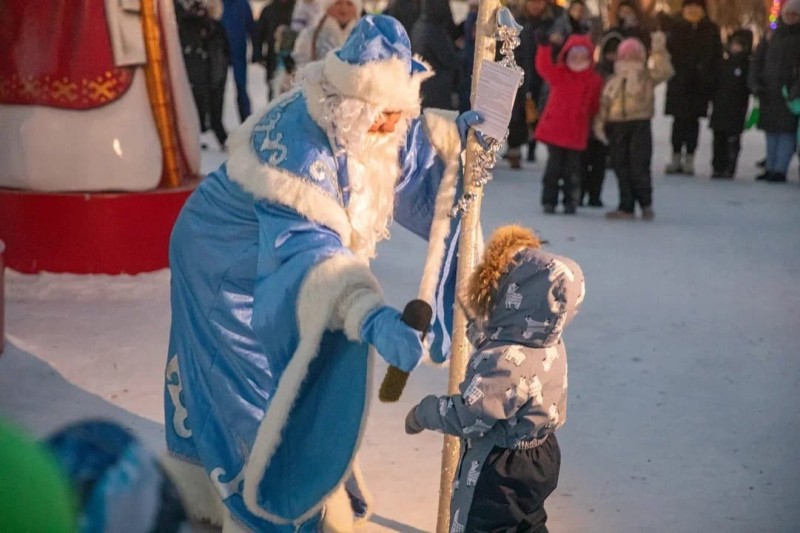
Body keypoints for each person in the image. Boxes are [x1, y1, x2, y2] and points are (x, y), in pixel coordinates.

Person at [163, 15, 481, 532]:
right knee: (250, 378)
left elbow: (399, 145)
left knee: (286, 377)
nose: (391, 127)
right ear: (350, 107)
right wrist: (372, 316)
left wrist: (449, 136)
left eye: (400, 114)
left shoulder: (361, 121)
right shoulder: (300, 151)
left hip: (266, 247)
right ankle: (264, 507)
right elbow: (310, 253)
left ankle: (300, 484)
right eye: (382, 117)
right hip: (223, 263)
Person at [405, 225, 586, 532]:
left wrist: (424, 412)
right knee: (526, 522)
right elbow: (511, 344)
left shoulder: (503, 362)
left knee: (484, 524)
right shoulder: (550, 342)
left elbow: (469, 416)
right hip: (541, 455)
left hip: (500, 466)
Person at [596, 34, 674, 220]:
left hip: (639, 123)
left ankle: (645, 203)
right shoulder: (614, 79)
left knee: (639, 165)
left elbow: (665, 71)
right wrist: (599, 123)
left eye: (634, 56)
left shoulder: (646, 76)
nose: (629, 61)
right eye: (625, 56)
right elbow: (605, 102)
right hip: (617, 126)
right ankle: (626, 205)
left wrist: (659, 50)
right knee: (620, 165)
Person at [534, 33, 603, 214]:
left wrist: (595, 122)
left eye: (583, 56)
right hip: (556, 131)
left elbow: (595, 104)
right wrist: (544, 47)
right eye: (574, 55)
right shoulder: (560, 74)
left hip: (576, 132)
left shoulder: (593, 80)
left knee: (572, 171)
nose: (578, 60)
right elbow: (543, 67)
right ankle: (549, 200)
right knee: (553, 169)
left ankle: (570, 200)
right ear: (566, 55)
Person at [660, 0, 722, 176]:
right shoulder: (676, 26)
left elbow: (716, 56)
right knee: (678, 122)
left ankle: (689, 158)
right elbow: (667, 53)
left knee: (693, 123)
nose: (693, 10)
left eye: (697, 6)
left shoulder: (710, 29)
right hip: (679, 83)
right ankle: (676, 156)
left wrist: (709, 76)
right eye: (689, 6)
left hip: (700, 84)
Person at [749, 0, 800, 183]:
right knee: (771, 132)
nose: (791, 17)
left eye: (795, 15)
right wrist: (755, 83)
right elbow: (757, 60)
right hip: (769, 90)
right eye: (788, 14)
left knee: (786, 133)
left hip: (789, 95)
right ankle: (770, 166)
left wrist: (795, 89)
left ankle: (780, 169)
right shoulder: (772, 33)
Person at [175, 0, 230, 148]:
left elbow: (223, 48)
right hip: (199, 66)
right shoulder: (188, 20)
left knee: (212, 104)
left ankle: (216, 135)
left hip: (211, 68)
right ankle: (199, 136)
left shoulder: (212, 26)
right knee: (198, 103)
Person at [579, 30, 622, 207]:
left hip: (607, 127)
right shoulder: (595, 72)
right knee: (583, 163)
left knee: (599, 166)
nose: (612, 56)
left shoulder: (622, 75)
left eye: (616, 52)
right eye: (609, 52)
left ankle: (594, 195)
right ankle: (580, 194)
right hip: (588, 125)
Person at [518, 0, 559, 163]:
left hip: (544, 75)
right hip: (523, 71)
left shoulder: (552, 22)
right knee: (524, 112)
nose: (535, 6)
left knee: (542, 110)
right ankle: (522, 146)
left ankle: (540, 146)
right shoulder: (518, 21)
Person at [709, 29, 752, 179]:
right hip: (720, 107)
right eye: (734, 45)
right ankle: (717, 166)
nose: (736, 48)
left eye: (739, 45)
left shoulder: (746, 65)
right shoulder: (722, 64)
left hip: (736, 109)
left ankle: (729, 166)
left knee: (732, 140)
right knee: (718, 139)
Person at [411, 0, 460, 110]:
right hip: (437, 92)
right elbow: (449, 59)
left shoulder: (418, 25)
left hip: (424, 88)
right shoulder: (434, 30)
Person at [292, 0, 361, 70]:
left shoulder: (363, 36)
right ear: (328, 6)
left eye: (349, 4)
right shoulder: (309, 34)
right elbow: (300, 64)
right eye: (338, 3)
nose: (344, 8)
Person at [253, 0, 295, 102]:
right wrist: (257, 54)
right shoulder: (268, 10)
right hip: (273, 59)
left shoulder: (297, 10)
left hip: (295, 60)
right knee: (274, 94)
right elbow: (258, 35)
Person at [221, 0, 255, 121]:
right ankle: (216, 123)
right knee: (218, 89)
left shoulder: (242, 3)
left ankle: (246, 119)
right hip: (220, 52)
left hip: (238, 49)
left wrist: (256, 50)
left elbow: (251, 26)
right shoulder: (217, 3)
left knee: (241, 87)